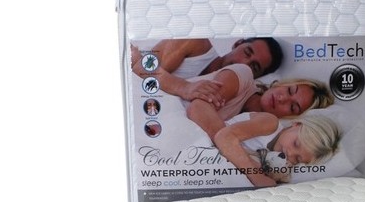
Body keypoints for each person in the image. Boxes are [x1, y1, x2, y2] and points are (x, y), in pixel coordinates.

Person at [183, 64, 334, 146]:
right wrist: (233, 150)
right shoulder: (243, 76)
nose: (282, 99)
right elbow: (198, 107)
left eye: (292, 107)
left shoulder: (263, 131)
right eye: (289, 90)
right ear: (283, 84)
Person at [130, 37, 283, 101]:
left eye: (253, 67)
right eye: (247, 52)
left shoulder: (229, 94)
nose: (242, 62)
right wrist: (184, 87)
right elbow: (141, 71)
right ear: (237, 44)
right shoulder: (196, 43)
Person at [214, 112, 342, 189]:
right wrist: (257, 177)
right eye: (296, 144)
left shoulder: (275, 161)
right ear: (296, 124)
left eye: (297, 159)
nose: (290, 154)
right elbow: (224, 137)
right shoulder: (270, 123)